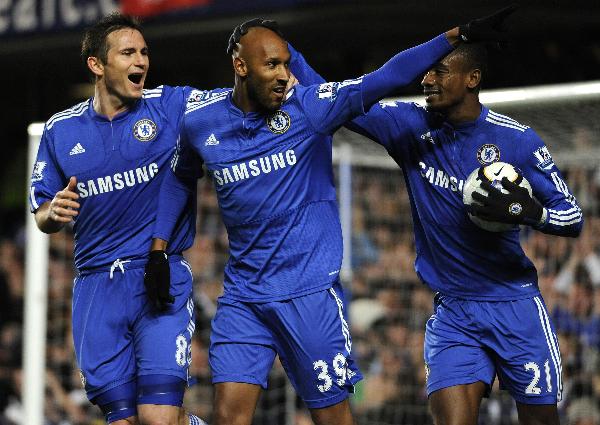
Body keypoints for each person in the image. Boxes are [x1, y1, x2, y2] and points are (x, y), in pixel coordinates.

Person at [146, 12, 512, 425]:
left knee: (334, 418)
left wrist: (454, 36)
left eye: (287, 63)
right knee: (229, 416)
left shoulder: (311, 108)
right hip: (244, 298)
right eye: (272, 65)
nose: (285, 75)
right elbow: (179, 178)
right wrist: (159, 250)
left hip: (309, 297)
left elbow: (385, 77)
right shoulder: (201, 122)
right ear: (240, 66)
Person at [292, 15, 583, 425]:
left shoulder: (516, 139)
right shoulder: (408, 126)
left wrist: (529, 212)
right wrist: (291, 58)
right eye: (427, 71)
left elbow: (572, 217)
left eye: (440, 71)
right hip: (454, 314)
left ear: (472, 78)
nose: (427, 79)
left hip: (515, 306)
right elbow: (338, 99)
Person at [29, 13, 207, 425]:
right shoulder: (60, 131)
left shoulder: (171, 105)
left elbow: (232, 102)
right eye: (128, 52)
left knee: (158, 418)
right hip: (96, 289)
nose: (140, 61)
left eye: (144, 52)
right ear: (97, 64)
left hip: (157, 277)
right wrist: (51, 212)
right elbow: (40, 213)